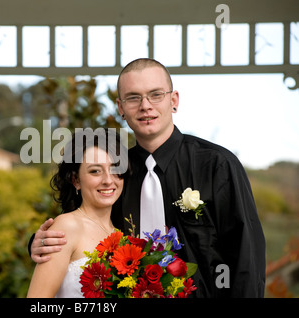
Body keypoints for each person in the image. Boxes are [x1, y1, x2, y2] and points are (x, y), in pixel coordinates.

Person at [29, 58, 266, 298]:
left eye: (155, 95)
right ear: (120, 108)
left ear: (173, 101)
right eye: (133, 97)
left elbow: (247, 257)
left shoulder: (217, 165)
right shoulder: (116, 174)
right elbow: (85, 226)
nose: (145, 106)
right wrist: (39, 243)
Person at [27, 128, 128, 297]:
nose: (108, 180)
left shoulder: (122, 233)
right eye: (95, 171)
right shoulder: (67, 226)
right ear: (76, 180)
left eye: (115, 169)